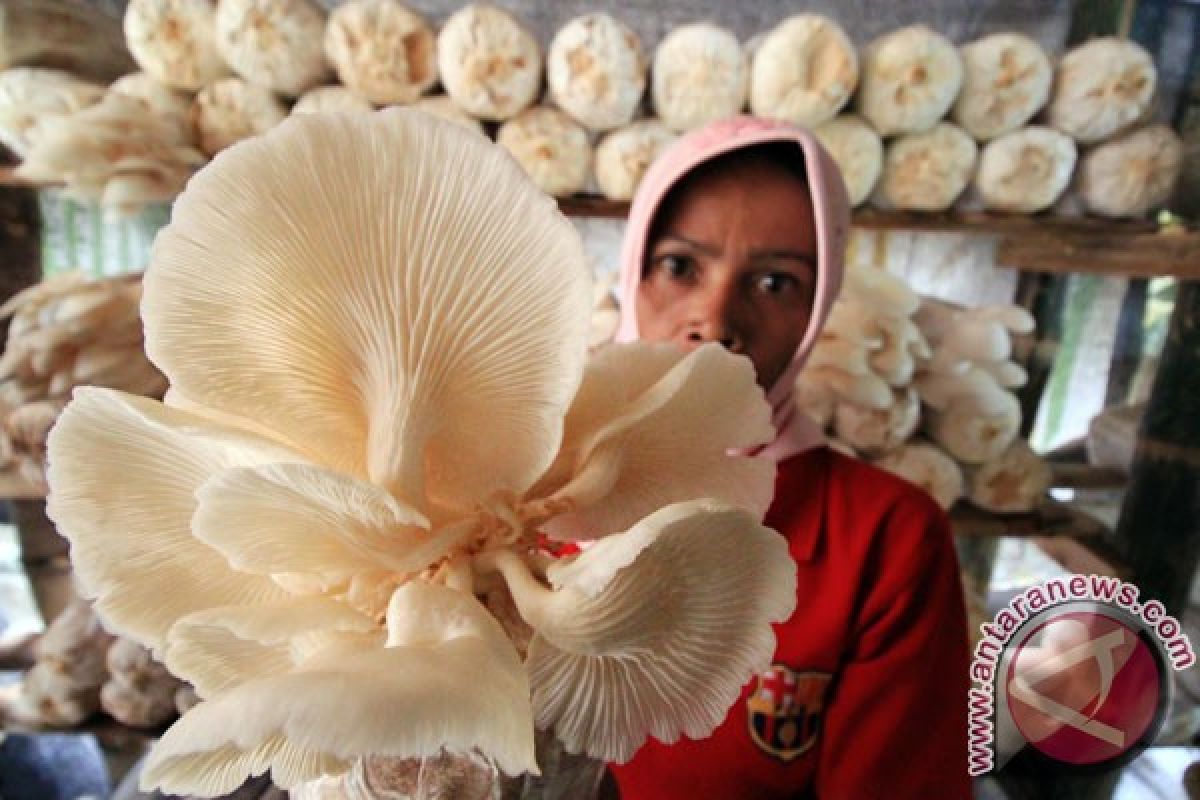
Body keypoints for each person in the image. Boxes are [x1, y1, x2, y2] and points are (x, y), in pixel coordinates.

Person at [605, 116, 972, 799]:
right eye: (680, 266)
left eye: (775, 283)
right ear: (632, 272)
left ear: (817, 309)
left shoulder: (886, 545)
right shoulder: (523, 501)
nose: (715, 320)